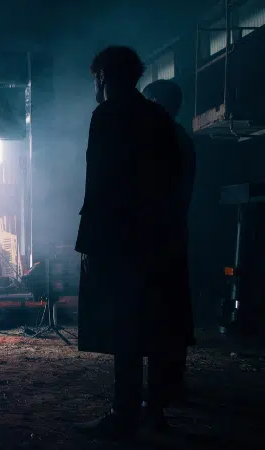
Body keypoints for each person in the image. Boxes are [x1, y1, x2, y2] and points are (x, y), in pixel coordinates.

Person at [75, 46, 187, 439]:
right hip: (161, 239)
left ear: (104, 77)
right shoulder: (161, 120)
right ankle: (154, 414)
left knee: (125, 328)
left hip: (119, 241)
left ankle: (123, 411)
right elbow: (174, 185)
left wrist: (89, 242)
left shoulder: (107, 117)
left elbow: (100, 183)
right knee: (156, 325)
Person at [142, 79, 197, 404]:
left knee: (160, 309)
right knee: (171, 309)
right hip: (171, 233)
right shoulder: (180, 138)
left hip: (159, 236)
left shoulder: (165, 140)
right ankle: (170, 381)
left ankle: (164, 384)